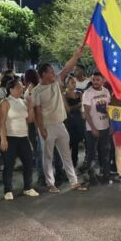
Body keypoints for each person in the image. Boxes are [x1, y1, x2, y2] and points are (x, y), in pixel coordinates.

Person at [33, 45, 87, 193]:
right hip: (47, 126)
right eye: (50, 71)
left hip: (60, 125)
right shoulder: (36, 91)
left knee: (66, 155)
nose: (53, 73)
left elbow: (67, 68)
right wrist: (41, 129)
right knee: (48, 157)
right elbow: (37, 111)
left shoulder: (56, 81)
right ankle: (50, 184)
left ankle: (74, 182)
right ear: (43, 74)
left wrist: (76, 55)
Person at [0, 78, 38, 200]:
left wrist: (30, 107)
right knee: (9, 164)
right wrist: (3, 139)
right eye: (18, 87)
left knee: (28, 163)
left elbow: (30, 120)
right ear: (11, 89)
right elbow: (1, 122)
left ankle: (28, 187)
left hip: (23, 137)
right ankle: (8, 190)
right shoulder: (5, 102)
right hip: (10, 137)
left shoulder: (23, 102)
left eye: (22, 87)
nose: (21, 89)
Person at [82, 71, 112, 184]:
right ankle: (92, 177)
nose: (95, 82)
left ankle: (106, 176)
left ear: (103, 81)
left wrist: (111, 125)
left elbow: (109, 109)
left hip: (105, 127)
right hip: (92, 130)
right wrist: (93, 128)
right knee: (92, 154)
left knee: (105, 153)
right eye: (93, 80)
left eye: (97, 80)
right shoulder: (88, 93)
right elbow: (87, 113)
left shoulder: (106, 91)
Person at [65, 76, 86, 170]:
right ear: (67, 84)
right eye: (71, 82)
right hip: (70, 121)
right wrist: (79, 104)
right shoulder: (64, 94)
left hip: (79, 120)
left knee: (76, 144)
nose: (74, 84)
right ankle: (68, 165)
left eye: (74, 82)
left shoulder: (79, 93)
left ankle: (74, 163)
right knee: (69, 143)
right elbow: (68, 109)